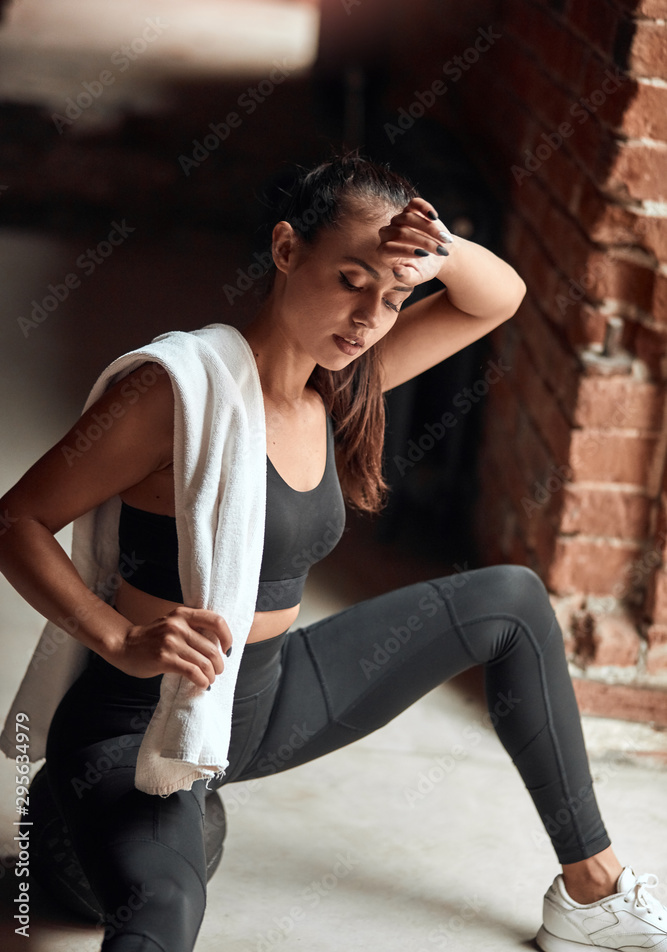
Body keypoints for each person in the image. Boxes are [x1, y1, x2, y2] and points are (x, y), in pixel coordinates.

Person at [1, 154, 665, 952]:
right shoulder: (175, 394)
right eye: (350, 279)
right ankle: (89, 849)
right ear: (286, 250)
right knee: (163, 911)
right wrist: (114, 636)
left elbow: (500, 298)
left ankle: (591, 895)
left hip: (263, 703)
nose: (367, 316)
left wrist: (438, 253)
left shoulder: (338, 384)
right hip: (139, 732)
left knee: (512, 602)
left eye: (391, 298)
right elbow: (18, 521)